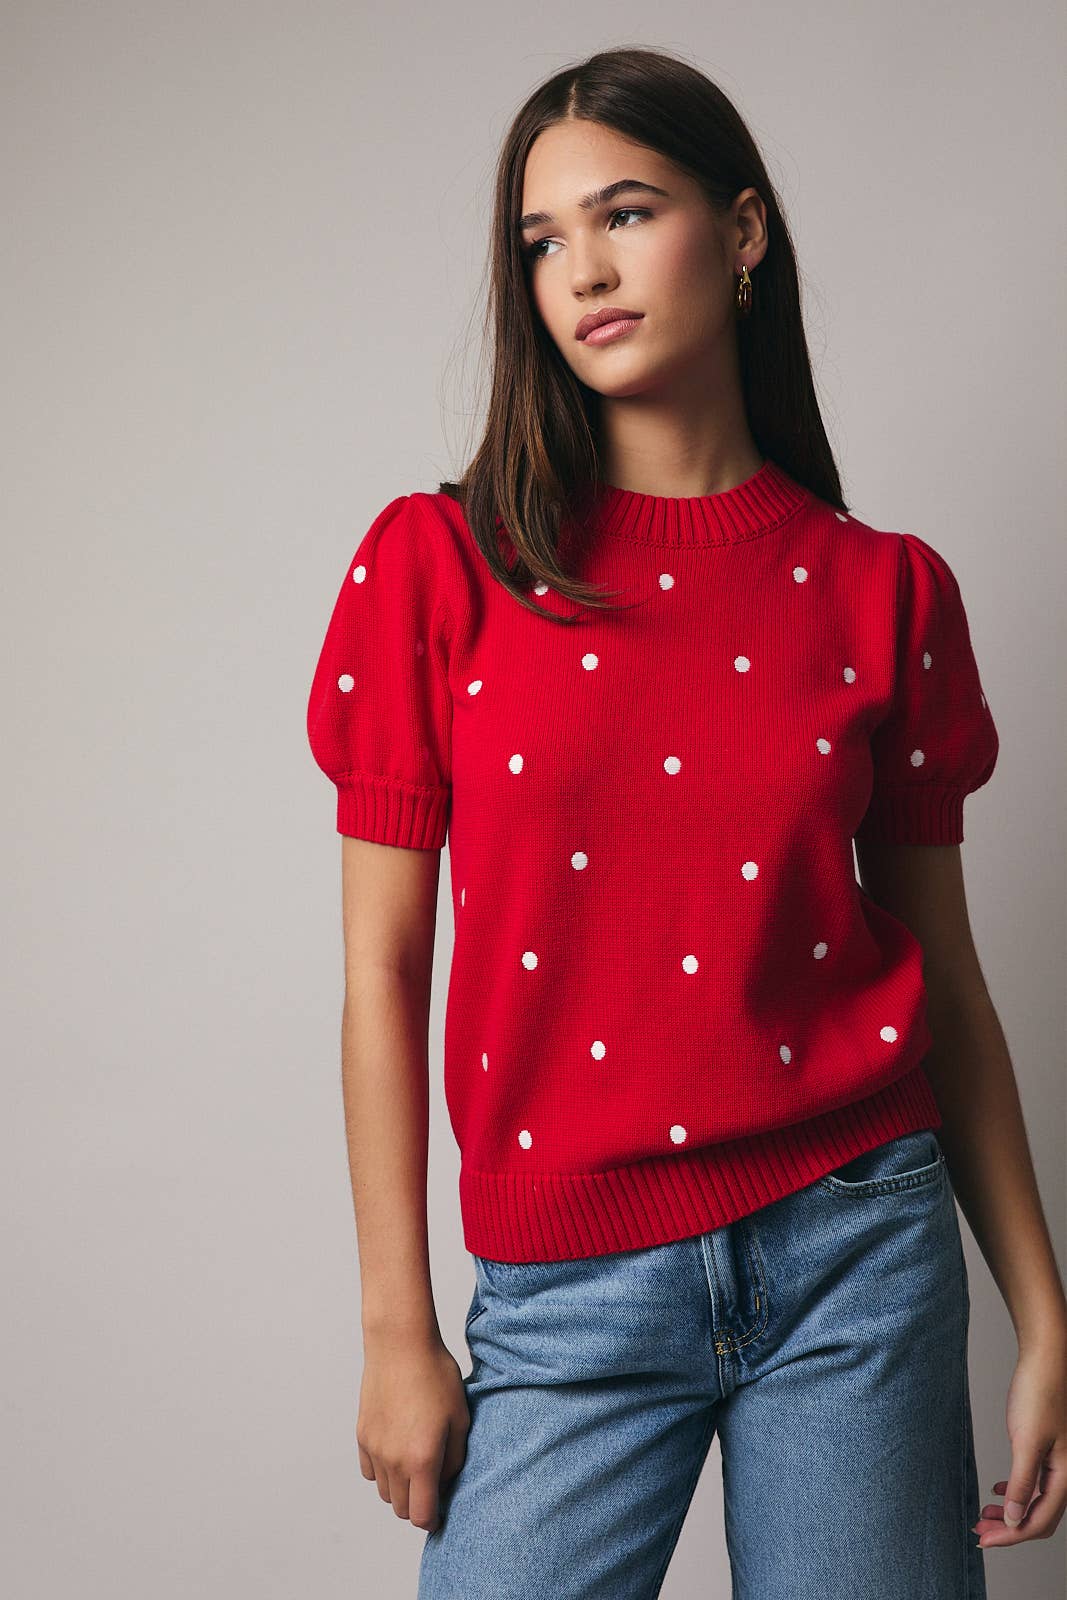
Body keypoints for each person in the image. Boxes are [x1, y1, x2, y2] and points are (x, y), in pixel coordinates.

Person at [305, 45, 1066, 1600]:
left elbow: (945, 975)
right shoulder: (440, 568)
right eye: (542, 242)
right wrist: (396, 1328)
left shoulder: (883, 590)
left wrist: (1043, 1312)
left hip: (858, 1250)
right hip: (566, 1287)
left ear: (743, 230)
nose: (582, 271)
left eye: (627, 212)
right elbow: (382, 972)